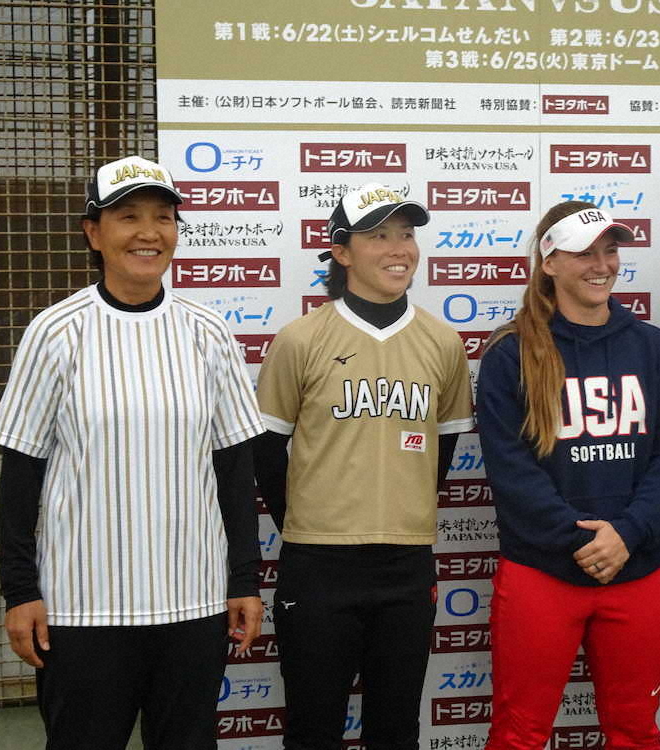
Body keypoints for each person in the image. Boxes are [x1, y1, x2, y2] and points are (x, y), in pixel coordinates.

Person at [0, 155, 265, 750]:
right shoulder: (55, 331)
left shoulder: (207, 331)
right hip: (83, 606)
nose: (148, 232)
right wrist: (21, 591)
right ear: (94, 232)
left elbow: (233, 470)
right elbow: (21, 471)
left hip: (191, 599)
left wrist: (243, 579)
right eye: (128, 216)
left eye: (163, 217)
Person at [252, 182, 475, 750]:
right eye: (379, 235)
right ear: (343, 252)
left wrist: (404, 508)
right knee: (312, 728)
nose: (399, 248)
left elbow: (441, 451)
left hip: (406, 562)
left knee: (395, 729)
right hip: (318, 563)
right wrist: (308, 522)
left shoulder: (443, 341)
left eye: (406, 234)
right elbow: (265, 450)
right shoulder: (300, 338)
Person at [476, 202, 660, 750]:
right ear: (549, 262)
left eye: (610, 250)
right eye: (583, 252)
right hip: (542, 571)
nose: (601, 264)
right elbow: (511, 470)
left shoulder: (655, 350)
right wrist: (581, 540)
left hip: (637, 567)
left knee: (635, 731)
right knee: (520, 732)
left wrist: (627, 534)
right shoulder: (510, 354)